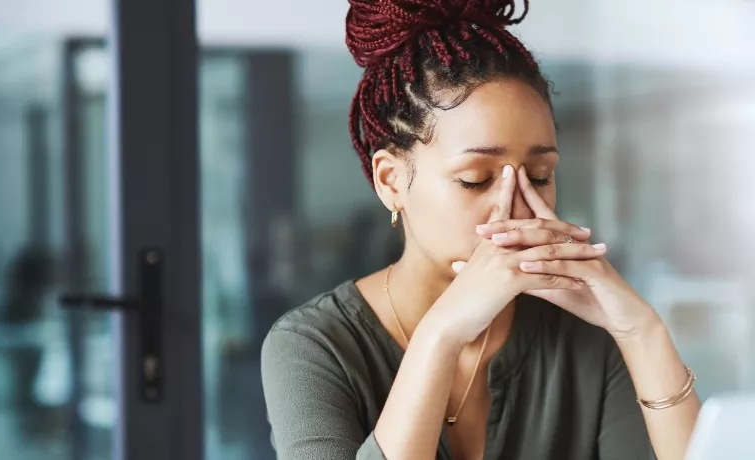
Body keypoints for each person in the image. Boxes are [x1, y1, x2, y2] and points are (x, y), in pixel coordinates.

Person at [260, 1, 701, 459]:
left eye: (539, 175)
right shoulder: (313, 346)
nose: (511, 205)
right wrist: (442, 334)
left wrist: (640, 330)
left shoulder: (586, 336)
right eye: (476, 178)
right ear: (390, 181)